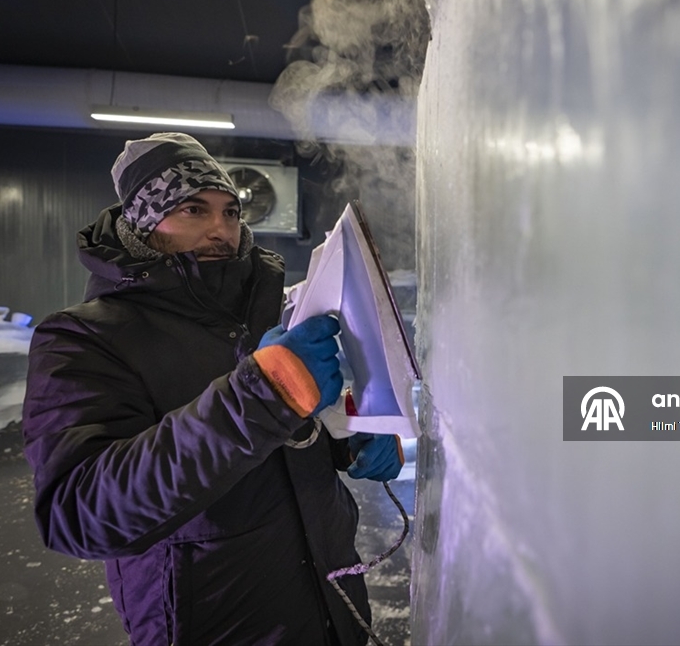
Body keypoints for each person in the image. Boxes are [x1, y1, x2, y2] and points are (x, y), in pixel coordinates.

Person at [21, 132, 403, 646]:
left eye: (231, 212)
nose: (220, 229)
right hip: (217, 620)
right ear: (143, 222)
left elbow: (285, 434)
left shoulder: (264, 310)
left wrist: (349, 432)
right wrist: (265, 395)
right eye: (194, 210)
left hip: (330, 602)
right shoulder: (84, 337)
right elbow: (79, 513)